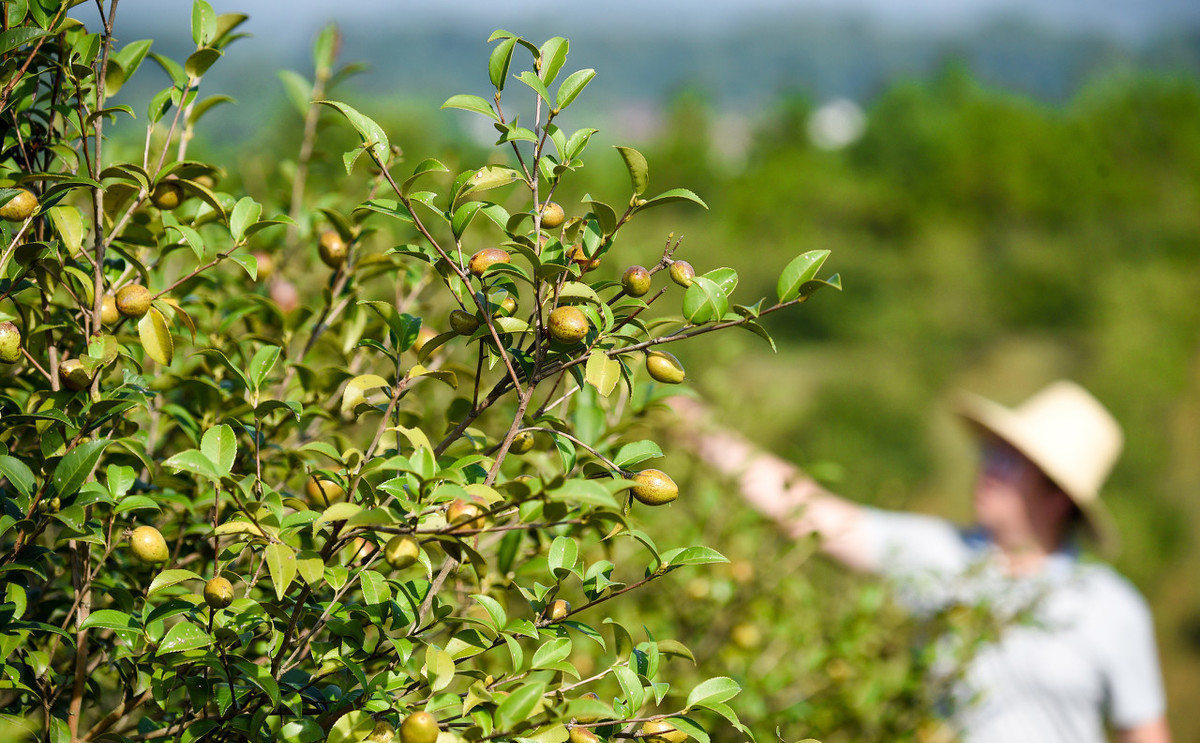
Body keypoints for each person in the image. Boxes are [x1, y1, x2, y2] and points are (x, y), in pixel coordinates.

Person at [672, 380, 1171, 743]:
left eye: (1010, 461)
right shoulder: (939, 555)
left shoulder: (1111, 607)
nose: (988, 469)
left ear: (1058, 495)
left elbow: (1144, 733)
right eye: (991, 453)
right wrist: (696, 426)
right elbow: (809, 512)